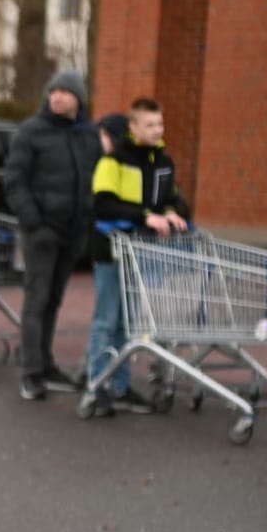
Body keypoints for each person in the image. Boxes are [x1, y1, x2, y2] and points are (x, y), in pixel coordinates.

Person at [83, 99, 187, 416]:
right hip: (112, 252)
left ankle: (119, 386)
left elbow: (175, 201)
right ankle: (97, 385)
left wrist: (171, 213)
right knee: (106, 321)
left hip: (142, 254)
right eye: (151, 125)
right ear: (133, 127)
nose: (158, 130)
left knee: (127, 326)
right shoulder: (112, 162)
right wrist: (146, 216)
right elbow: (103, 204)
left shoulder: (163, 163)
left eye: (160, 124)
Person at [4, 71, 100, 402]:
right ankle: (31, 372)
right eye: (52, 91)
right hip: (41, 234)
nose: (56, 97)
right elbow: (15, 182)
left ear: (78, 98)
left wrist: (87, 221)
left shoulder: (88, 134)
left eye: (64, 92)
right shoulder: (31, 132)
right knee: (37, 300)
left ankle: (45, 363)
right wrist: (35, 225)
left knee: (54, 301)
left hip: (73, 233)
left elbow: (92, 179)